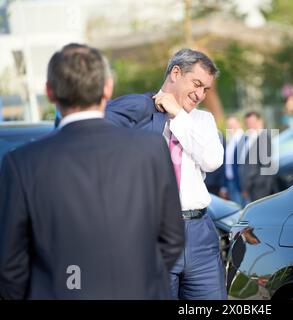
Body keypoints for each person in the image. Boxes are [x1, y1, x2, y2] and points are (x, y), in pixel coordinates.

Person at [0, 43, 184, 299]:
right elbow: (173, 238)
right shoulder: (151, 149)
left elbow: (11, 265)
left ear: (49, 92)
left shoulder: (20, 163)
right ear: (108, 88)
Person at [103, 49, 226, 299]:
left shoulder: (202, 120)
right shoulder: (138, 111)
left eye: (206, 89)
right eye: (197, 84)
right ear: (176, 72)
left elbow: (213, 161)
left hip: (199, 233)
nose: (200, 94)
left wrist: (178, 116)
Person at [240, 111, 274, 203]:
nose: (250, 125)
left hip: (259, 187)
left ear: (259, 121)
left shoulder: (264, 137)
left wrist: (250, 185)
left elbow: (263, 165)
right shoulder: (251, 137)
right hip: (252, 186)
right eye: (248, 123)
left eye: (252, 122)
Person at [222, 115, 245, 205]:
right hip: (230, 182)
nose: (231, 127)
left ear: (239, 124)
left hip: (240, 184)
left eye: (233, 124)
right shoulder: (229, 141)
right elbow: (225, 164)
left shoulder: (245, 140)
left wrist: (244, 187)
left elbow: (246, 166)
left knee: (242, 211)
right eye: (229, 125)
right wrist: (224, 186)